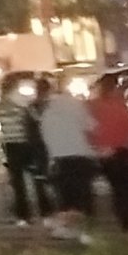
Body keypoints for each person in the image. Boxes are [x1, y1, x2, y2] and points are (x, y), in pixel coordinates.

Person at [35, 77, 98, 238]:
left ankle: (69, 228)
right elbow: (92, 126)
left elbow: (45, 139)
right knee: (83, 194)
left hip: (60, 158)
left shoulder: (44, 112)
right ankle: (86, 231)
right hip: (81, 154)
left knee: (66, 196)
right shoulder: (74, 104)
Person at [87, 75, 128, 233]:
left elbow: (87, 129)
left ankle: (94, 220)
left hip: (100, 152)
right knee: (125, 188)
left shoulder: (92, 106)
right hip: (120, 150)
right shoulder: (120, 105)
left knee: (111, 187)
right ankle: (127, 222)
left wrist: (96, 146)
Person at [0, 74, 45, 225]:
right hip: (26, 143)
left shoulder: (1, 105)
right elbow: (36, 119)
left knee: (17, 183)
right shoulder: (22, 102)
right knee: (37, 179)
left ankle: (23, 216)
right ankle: (44, 212)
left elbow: (0, 129)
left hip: (10, 146)